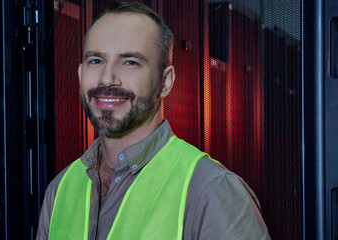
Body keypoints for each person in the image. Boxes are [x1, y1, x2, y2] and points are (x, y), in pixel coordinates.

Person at [36, 1, 270, 239]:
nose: (107, 79)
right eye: (96, 61)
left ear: (165, 81)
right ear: (80, 74)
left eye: (130, 62)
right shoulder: (60, 191)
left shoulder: (212, 191)